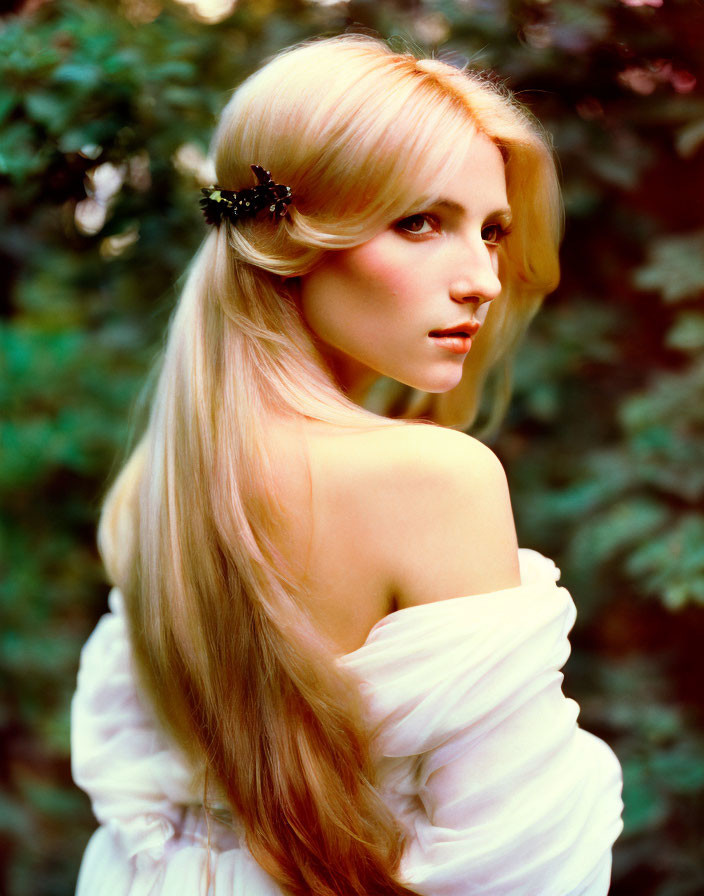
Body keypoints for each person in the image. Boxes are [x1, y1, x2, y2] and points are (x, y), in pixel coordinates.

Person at [70, 34, 624, 896]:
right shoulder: (435, 478)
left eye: (493, 231)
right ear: (289, 234)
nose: (482, 277)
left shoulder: (157, 487)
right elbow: (526, 866)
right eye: (420, 222)